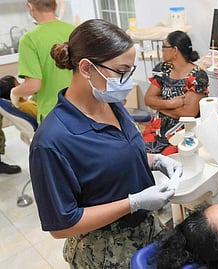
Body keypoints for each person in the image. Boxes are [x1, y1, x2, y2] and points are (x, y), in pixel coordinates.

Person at [29, 19, 182, 269]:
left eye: (130, 71)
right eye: (121, 71)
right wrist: (133, 203)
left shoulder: (110, 104)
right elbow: (62, 224)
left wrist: (155, 161)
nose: (127, 81)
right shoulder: (52, 141)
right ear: (87, 68)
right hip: (104, 252)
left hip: (147, 232)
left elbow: (108, 161)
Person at [143, 30, 209, 154]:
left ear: (175, 50)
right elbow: (148, 99)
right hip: (157, 128)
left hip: (183, 132)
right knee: (141, 155)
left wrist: (159, 106)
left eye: (164, 47)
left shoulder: (197, 76)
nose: (162, 50)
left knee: (166, 160)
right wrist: (171, 103)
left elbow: (188, 113)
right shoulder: (163, 69)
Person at [10, 0, 74, 123]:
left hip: (54, 115)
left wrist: (14, 92)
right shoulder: (74, 30)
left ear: (29, 7)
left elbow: (33, 85)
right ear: (55, 5)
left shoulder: (29, 39)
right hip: (81, 109)